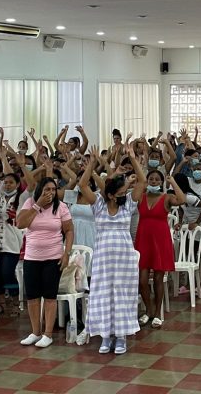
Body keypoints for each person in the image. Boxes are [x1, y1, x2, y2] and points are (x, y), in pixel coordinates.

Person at [79, 145, 143, 355]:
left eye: (126, 192)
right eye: (121, 193)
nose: (125, 195)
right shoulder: (98, 204)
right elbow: (82, 185)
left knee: (123, 294)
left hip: (124, 258)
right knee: (103, 294)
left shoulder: (128, 205)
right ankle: (106, 336)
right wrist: (91, 165)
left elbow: (141, 182)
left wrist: (133, 159)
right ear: (110, 194)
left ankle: (122, 336)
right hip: (103, 259)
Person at [15, 176, 73, 348]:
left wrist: (66, 253)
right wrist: (37, 204)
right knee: (32, 296)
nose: (51, 193)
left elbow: (69, 230)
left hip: (53, 257)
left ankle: (48, 334)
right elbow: (20, 223)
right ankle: (35, 332)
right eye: (47, 189)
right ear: (40, 190)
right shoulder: (30, 203)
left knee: (49, 295)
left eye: (53, 190)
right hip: (32, 257)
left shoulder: (61, 207)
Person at [134, 169, 185, 328]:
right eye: (151, 179)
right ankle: (148, 310)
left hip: (160, 241)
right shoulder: (140, 198)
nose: (154, 181)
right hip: (143, 240)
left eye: (157, 180)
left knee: (158, 278)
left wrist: (173, 182)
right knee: (141, 280)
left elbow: (182, 200)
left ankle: (157, 314)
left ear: (161, 182)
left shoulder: (167, 197)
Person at [0, 172, 24, 317]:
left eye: (11, 182)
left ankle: (16, 302)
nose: (7, 185)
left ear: (17, 184)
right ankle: (1, 303)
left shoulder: (21, 199)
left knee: (7, 273)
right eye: (5, 182)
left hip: (11, 242)